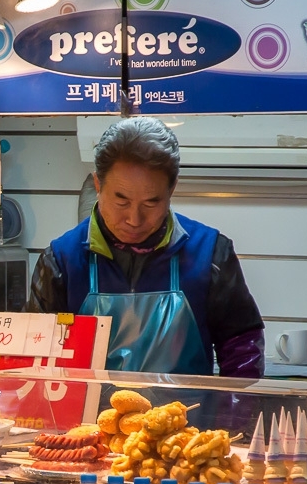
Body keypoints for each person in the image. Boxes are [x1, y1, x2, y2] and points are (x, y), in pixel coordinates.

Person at [28, 116, 264, 377]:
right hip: (90, 418)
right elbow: (39, 358)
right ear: (98, 184)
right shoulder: (62, 261)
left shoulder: (209, 253)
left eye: (151, 203)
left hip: (187, 416)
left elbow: (241, 345)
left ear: (172, 189)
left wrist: (234, 412)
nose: (134, 219)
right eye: (121, 201)